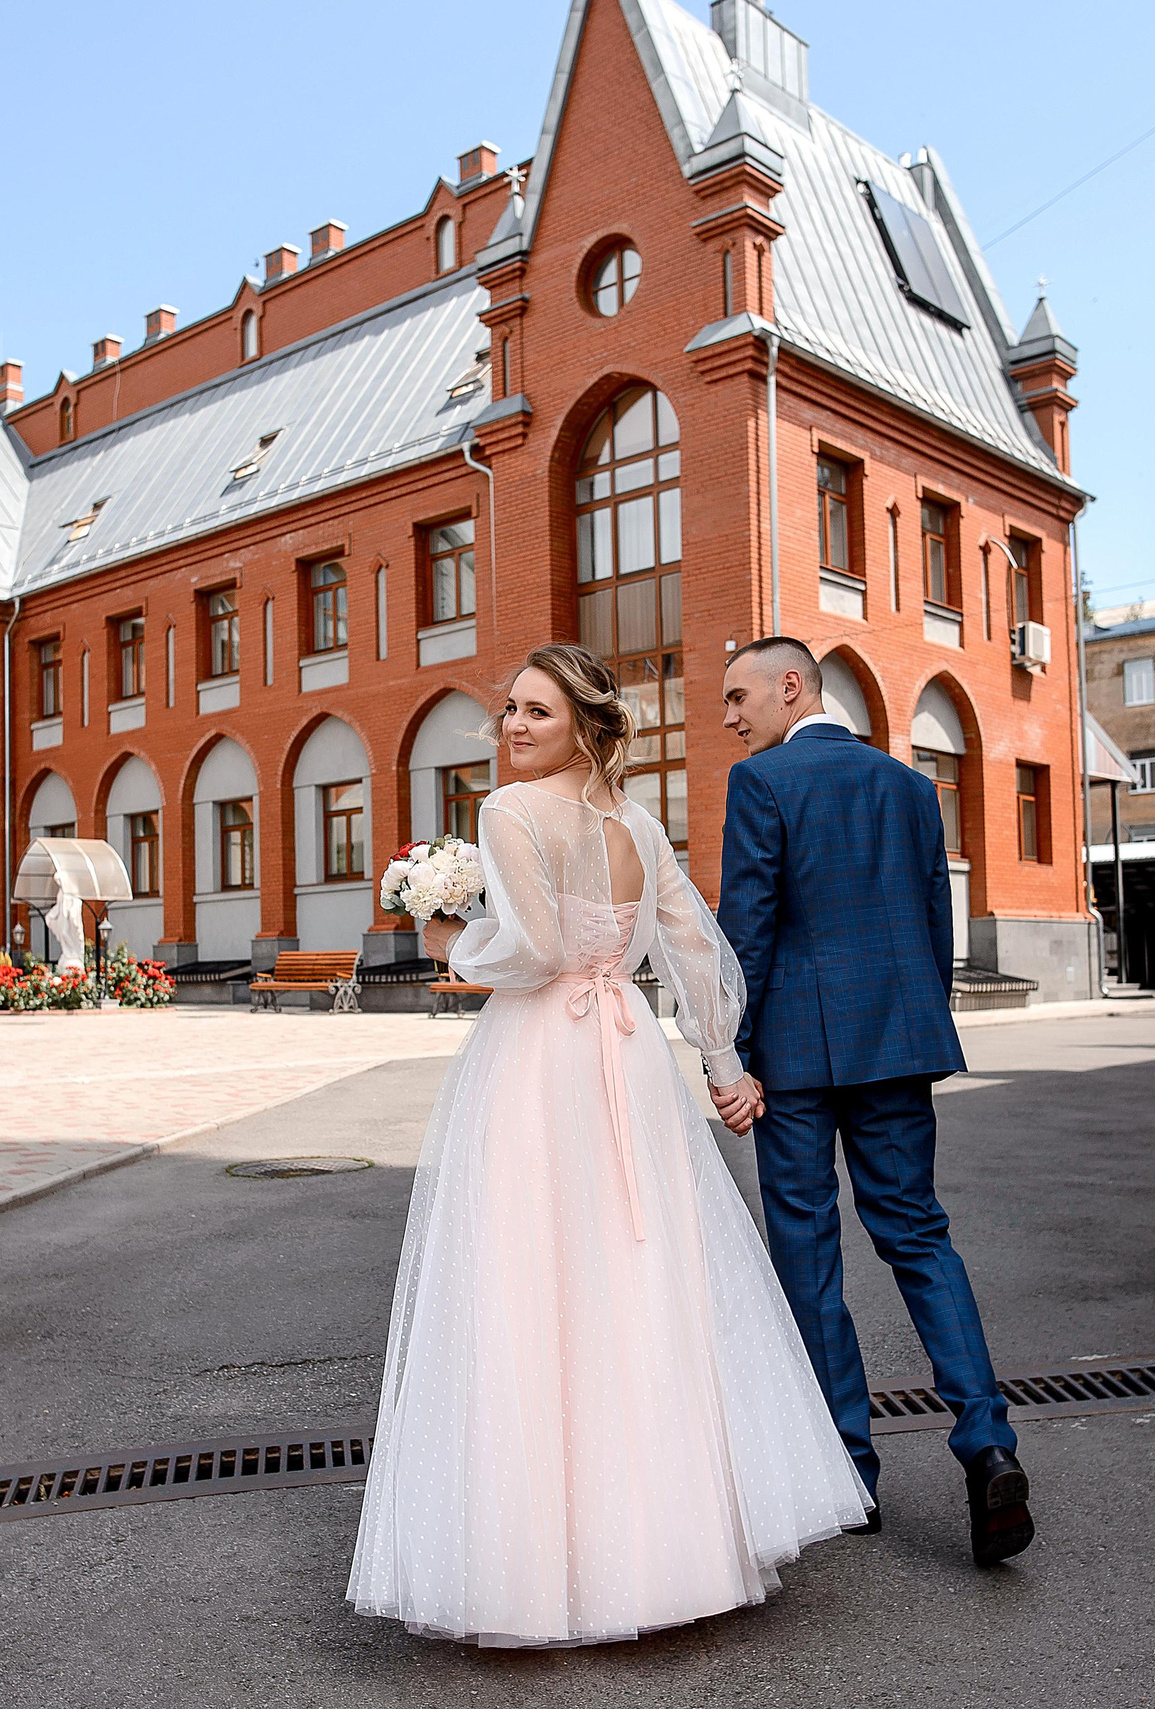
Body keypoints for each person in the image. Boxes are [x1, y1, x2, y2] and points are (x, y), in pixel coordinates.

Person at [349, 644, 869, 1647]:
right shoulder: (636, 823)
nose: (512, 724)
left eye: (536, 710)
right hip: (625, 1060)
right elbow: (691, 943)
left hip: (542, 1055)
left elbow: (536, 950)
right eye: (508, 708)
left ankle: (539, 1561)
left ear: (585, 723)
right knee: (638, 1279)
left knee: (531, 1282)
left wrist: (455, 942)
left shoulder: (507, 812)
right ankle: (669, 1547)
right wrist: (720, 1065)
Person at [714, 636, 1033, 1568]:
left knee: (809, 1250)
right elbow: (935, 922)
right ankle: (989, 1441)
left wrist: (729, 1049)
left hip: (797, 1058)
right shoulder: (908, 786)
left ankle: (849, 1468)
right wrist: (912, 1024)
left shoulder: (763, 784)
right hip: (896, 1040)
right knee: (919, 1234)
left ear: (789, 687)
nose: (731, 718)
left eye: (739, 697)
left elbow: (749, 928)